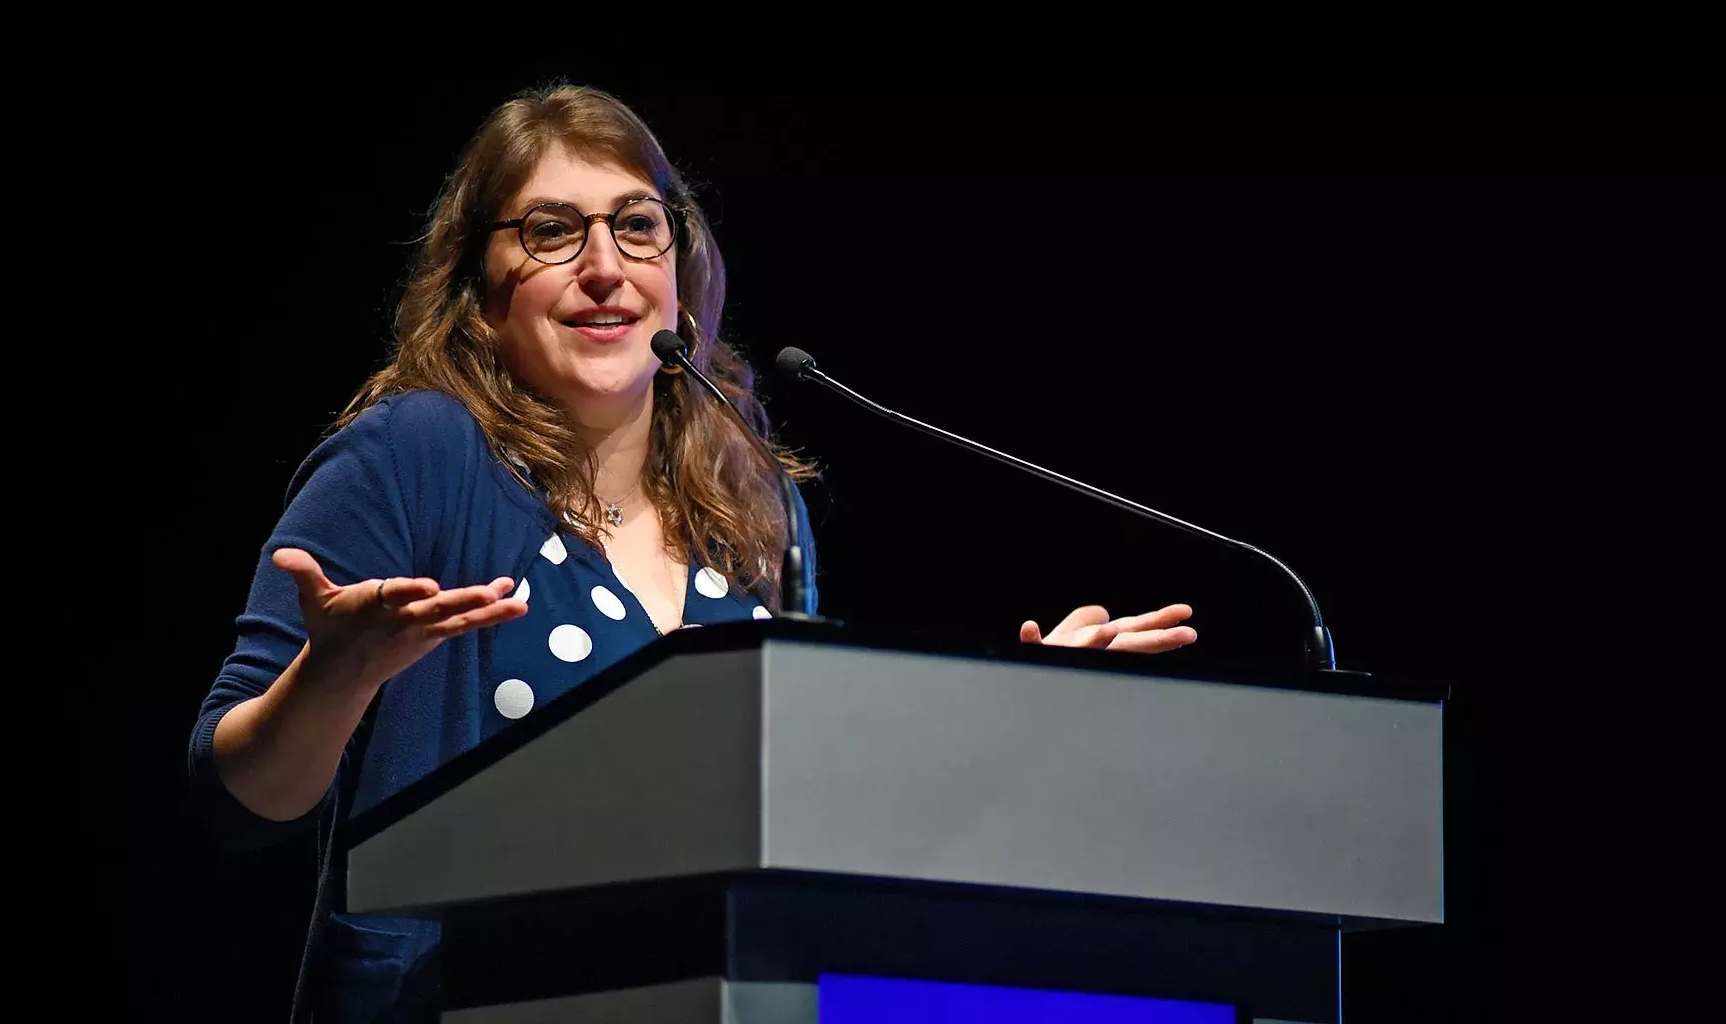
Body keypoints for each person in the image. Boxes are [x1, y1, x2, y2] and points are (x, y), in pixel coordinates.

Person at [189, 83, 1198, 1023]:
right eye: (552, 231)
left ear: (680, 271)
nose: (605, 266)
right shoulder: (421, 453)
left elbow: (813, 810)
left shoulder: (753, 508)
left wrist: (1018, 713)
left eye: (638, 226)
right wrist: (338, 673)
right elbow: (238, 794)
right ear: (480, 293)